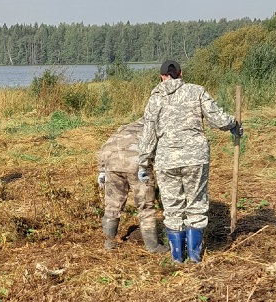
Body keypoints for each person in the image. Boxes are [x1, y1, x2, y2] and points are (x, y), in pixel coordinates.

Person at [137, 60, 241, 264]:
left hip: (167, 160)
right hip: (195, 158)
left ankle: (177, 258)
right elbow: (217, 119)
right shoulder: (197, 91)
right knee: (196, 205)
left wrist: (143, 162)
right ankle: (195, 258)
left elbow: (148, 134)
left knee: (173, 207)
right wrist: (233, 124)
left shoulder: (155, 98)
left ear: (161, 76)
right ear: (181, 73)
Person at [97, 120, 168, 253]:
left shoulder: (124, 127)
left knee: (112, 206)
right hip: (137, 165)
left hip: (111, 164)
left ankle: (109, 243)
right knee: (145, 206)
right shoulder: (155, 128)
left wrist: (101, 170)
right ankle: (152, 246)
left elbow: (105, 147)